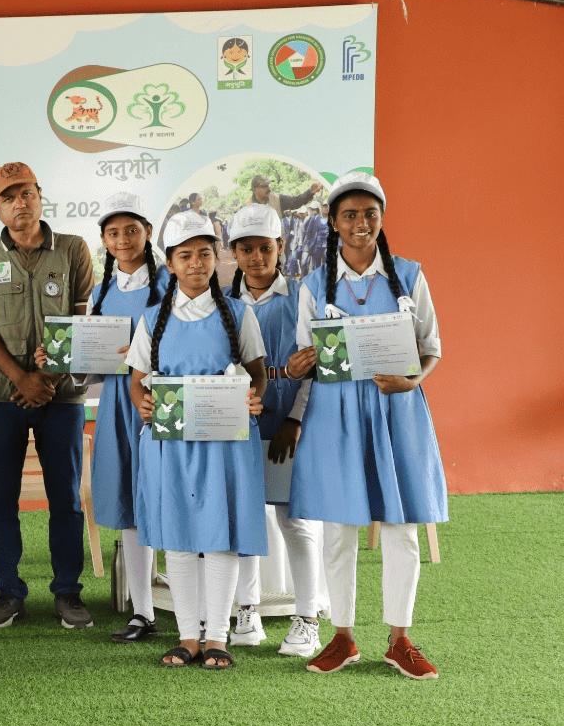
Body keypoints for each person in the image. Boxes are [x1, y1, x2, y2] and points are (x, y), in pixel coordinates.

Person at [286, 172, 446, 679]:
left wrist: (411, 381)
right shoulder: (313, 285)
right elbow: (304, 357)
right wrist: (297, 365)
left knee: (401, 527)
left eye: (369, 214)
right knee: (338, 528)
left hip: (397, 412)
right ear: (333, 222)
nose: (360, 223)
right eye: (349, 215)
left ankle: (400, 639)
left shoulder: (410, 275)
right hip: (335, 416)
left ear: (382, 218)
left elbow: (431, 348)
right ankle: (343, 637)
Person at [127, 211, 268, 670]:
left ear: (217, 258)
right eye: (185, 256)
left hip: (226, 443)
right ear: (169, 263)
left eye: (204, 254)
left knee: (221, 537)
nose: (195, 263)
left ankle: (218, 637)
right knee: (180, 539)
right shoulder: (153, 319)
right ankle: (188, 637)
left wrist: (254, 397)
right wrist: (143, 404)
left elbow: (259, 374)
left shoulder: (239, 314)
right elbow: (136, 380)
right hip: (170, 444)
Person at [0, 162, 94, 630]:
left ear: (40, 195)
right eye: (8, 197)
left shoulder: (74, 249)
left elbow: (82, 319)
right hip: (2, 398)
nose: (19, 203)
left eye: (26, 193)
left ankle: (68, 592)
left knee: (66, 497)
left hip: (62, 397)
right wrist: (21, 378)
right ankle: (8, 591)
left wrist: (49, 378)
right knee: (1, 498)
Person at [224, 203, 328, 659]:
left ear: (280, 247)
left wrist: (295, 419)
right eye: (246, 249)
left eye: (265, 248)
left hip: (287, 422)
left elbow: (315, 366)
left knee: (294, 520)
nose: (256, 257)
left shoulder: (302, 295)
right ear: (234, 252)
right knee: (245, 518)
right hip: (237, 424)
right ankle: (246, 610)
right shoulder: (223, 303)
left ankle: (308, 618)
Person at [79, 192, 165, 642]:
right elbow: (92, 368)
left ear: (147, 232)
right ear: (104, 240)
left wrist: (142, 355)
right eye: (113, 232)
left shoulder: (172, 283)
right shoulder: (100, 293)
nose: (123, 239)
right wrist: (68, 358)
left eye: (132, 230)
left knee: (171, 498)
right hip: (117, 404)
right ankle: (143, 611)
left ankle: (201, 611)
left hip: (160, 403)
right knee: (132, 505)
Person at [251, 174, 322, 216]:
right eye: (264, 186)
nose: (268, 188)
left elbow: (296, 201)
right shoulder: (247, 208)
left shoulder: (278, 200)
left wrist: (310, 192)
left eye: (268, 185)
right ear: (254, 189)